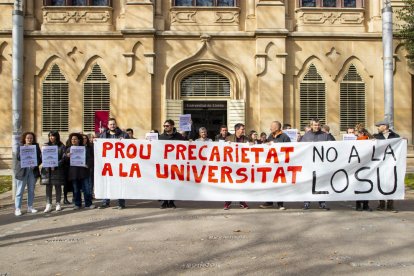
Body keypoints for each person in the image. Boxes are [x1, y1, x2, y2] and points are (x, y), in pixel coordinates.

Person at [300, 118, 335, 210]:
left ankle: (322, 202)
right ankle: (307, 202)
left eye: (318, 125)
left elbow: (334, 146)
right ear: (311, 126)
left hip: (322, 164)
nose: (317, 126)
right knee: (309, 183)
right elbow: (300, 148)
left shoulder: (325, 135)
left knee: (321, 183)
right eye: (315, 125)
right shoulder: (306, 136)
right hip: (309, 164)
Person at [98, 118, 130, 209]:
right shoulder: (103, 135)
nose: (112, 126)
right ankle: (105, 202)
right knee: (106, 182)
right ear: (108, 126)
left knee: (120, 183)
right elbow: (99, 148)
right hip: (107, 163)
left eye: (113, 124)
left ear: (116, 125)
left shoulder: (124, 135)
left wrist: (125, 141)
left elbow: (130, 146)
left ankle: (121, 203)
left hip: (119, 164)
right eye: (110, 124)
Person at [259, 121, 291, 210]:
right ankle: (269, 202)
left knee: (279, 184)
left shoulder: (285, 137)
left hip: (281, 165)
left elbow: (289, 150)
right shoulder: (270, 136)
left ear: (277, 128)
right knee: (270, 184)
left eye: (271, 127)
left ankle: (280, 204)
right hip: (271, 165)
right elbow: (266, 148)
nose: (270, 128)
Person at [373, 120, 400, 212]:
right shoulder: (376, 137)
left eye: (379, 126)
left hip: (392, 165)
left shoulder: (395, 136)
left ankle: (390, 205)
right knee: (380, 183)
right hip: (379, 164)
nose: (378, 128)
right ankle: (381, 204)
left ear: (385, 126)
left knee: (391, 183)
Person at [159, 119, 186, 208]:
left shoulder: (179, 137)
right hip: (164, 164)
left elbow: (185, 147)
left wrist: (189, 141)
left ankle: (171, 201)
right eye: (164, 126)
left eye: (167, 126)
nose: (165, 127)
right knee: (164, 183)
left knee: (173, 183)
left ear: (172, 126)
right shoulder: (161, 137)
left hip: (175, 164)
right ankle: (164, 201)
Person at [14, 132, 42, 216]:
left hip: (32, 171)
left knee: (31, 190)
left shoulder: (36, 147)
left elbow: (40, 158)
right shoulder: (21, 146)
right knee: (20, 191)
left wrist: (36, 164)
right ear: (24, 139)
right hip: (23, 171)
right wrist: (24, 150)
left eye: (31, 138)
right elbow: (18, 157)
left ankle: (30, 207)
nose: (29, 140)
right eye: (28, 138)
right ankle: (18, 208)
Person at [65, 133, 94, 210]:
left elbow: (90, 159)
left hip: (84, 171)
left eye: (75, 139)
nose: (73, 140)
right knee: (76, 189)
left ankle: (88, 203)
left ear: (79, 140)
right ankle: (77, 204)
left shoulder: (85, 149)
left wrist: (87, 165)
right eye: (72, 139)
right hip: (74, 173)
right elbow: (65, 162)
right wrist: (67, 156)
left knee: (86, 189)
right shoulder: (68, 149)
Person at [224, 123, 249, 210]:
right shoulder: (229, 138)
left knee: (241, 185)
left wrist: (253, 144)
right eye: (242, 129)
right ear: (237, 130)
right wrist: (227, 144)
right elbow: (222, 149)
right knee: (231, 185)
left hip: (242, 165)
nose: (243, 131)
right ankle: (228, 202)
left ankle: (242, 201)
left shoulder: (246, 139)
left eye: (243, 129)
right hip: (232, 165)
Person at [42, 131, 66, 213]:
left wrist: (55, 165)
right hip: (47, 170)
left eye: (53, 136)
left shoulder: (61, 146)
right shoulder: (46, 146)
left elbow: (63, 158)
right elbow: (42, 157)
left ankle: (58, 203)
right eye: (50, 136)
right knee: (48, 187)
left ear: (56, 136)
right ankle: (48, 204)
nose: (51, 137)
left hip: (57, 169)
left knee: (58, 186)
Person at [355, 127, 373, 211]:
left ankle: (358, 204)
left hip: (360, 166)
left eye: (357, 133)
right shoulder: (371, 140)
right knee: (366, 185)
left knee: (359, 185)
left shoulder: (362, 140)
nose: (356, 135)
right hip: (367, 166)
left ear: (361, 134)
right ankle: (365, 204)